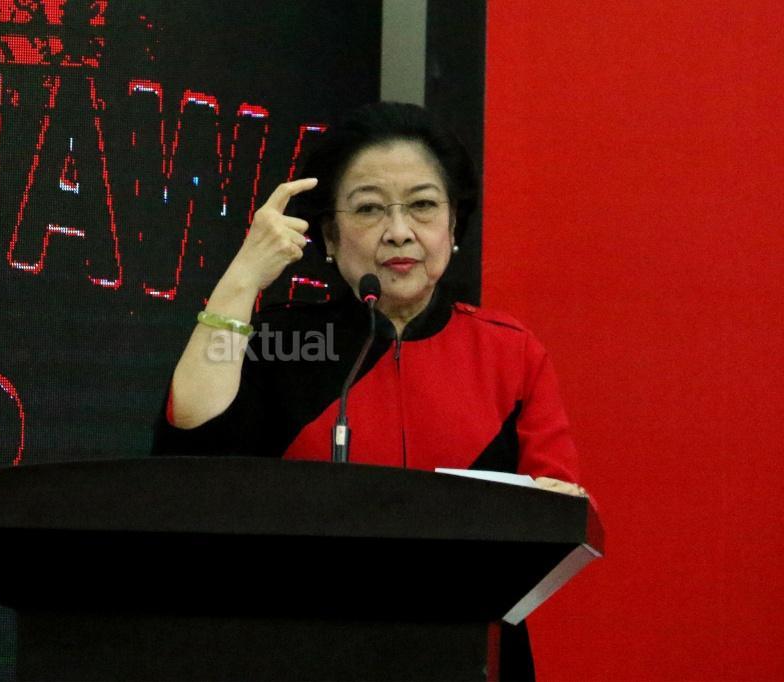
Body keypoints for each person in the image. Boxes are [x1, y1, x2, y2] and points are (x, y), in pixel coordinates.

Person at [152, 102, 587, 680]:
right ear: (330, 235)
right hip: (300, 652)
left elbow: (558, 512)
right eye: (369, 208)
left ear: (453, 225)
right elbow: (190, 443)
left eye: (423, 205)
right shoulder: (287, 343)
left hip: (468, 653)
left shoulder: (509, 352)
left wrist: (554, 505)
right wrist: (243, 276)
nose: (399, 231)